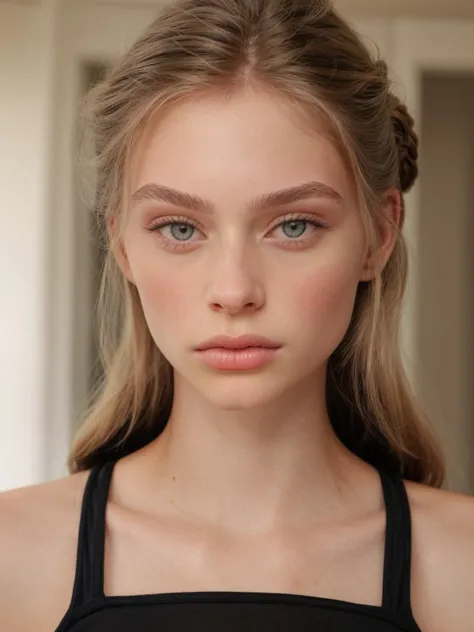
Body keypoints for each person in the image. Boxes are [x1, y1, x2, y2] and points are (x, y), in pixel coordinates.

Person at [1, 0, 474, 630]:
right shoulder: (12, 558)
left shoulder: (463, 566)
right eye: (178, 227)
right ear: (122, 246)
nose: (234, 290)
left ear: (378, 235)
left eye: (294, 225)